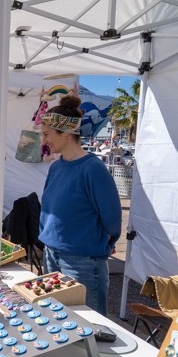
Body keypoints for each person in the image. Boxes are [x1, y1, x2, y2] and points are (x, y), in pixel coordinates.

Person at [39, 95, 122, 316]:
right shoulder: (56, 167)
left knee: (89, 323)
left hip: (82, 261)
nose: (44, 140)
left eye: (47, 134)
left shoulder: (93, 169)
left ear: (65, 133)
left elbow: (112, 218)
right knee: (56, 319)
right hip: (51, 254)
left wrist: (106, 243)